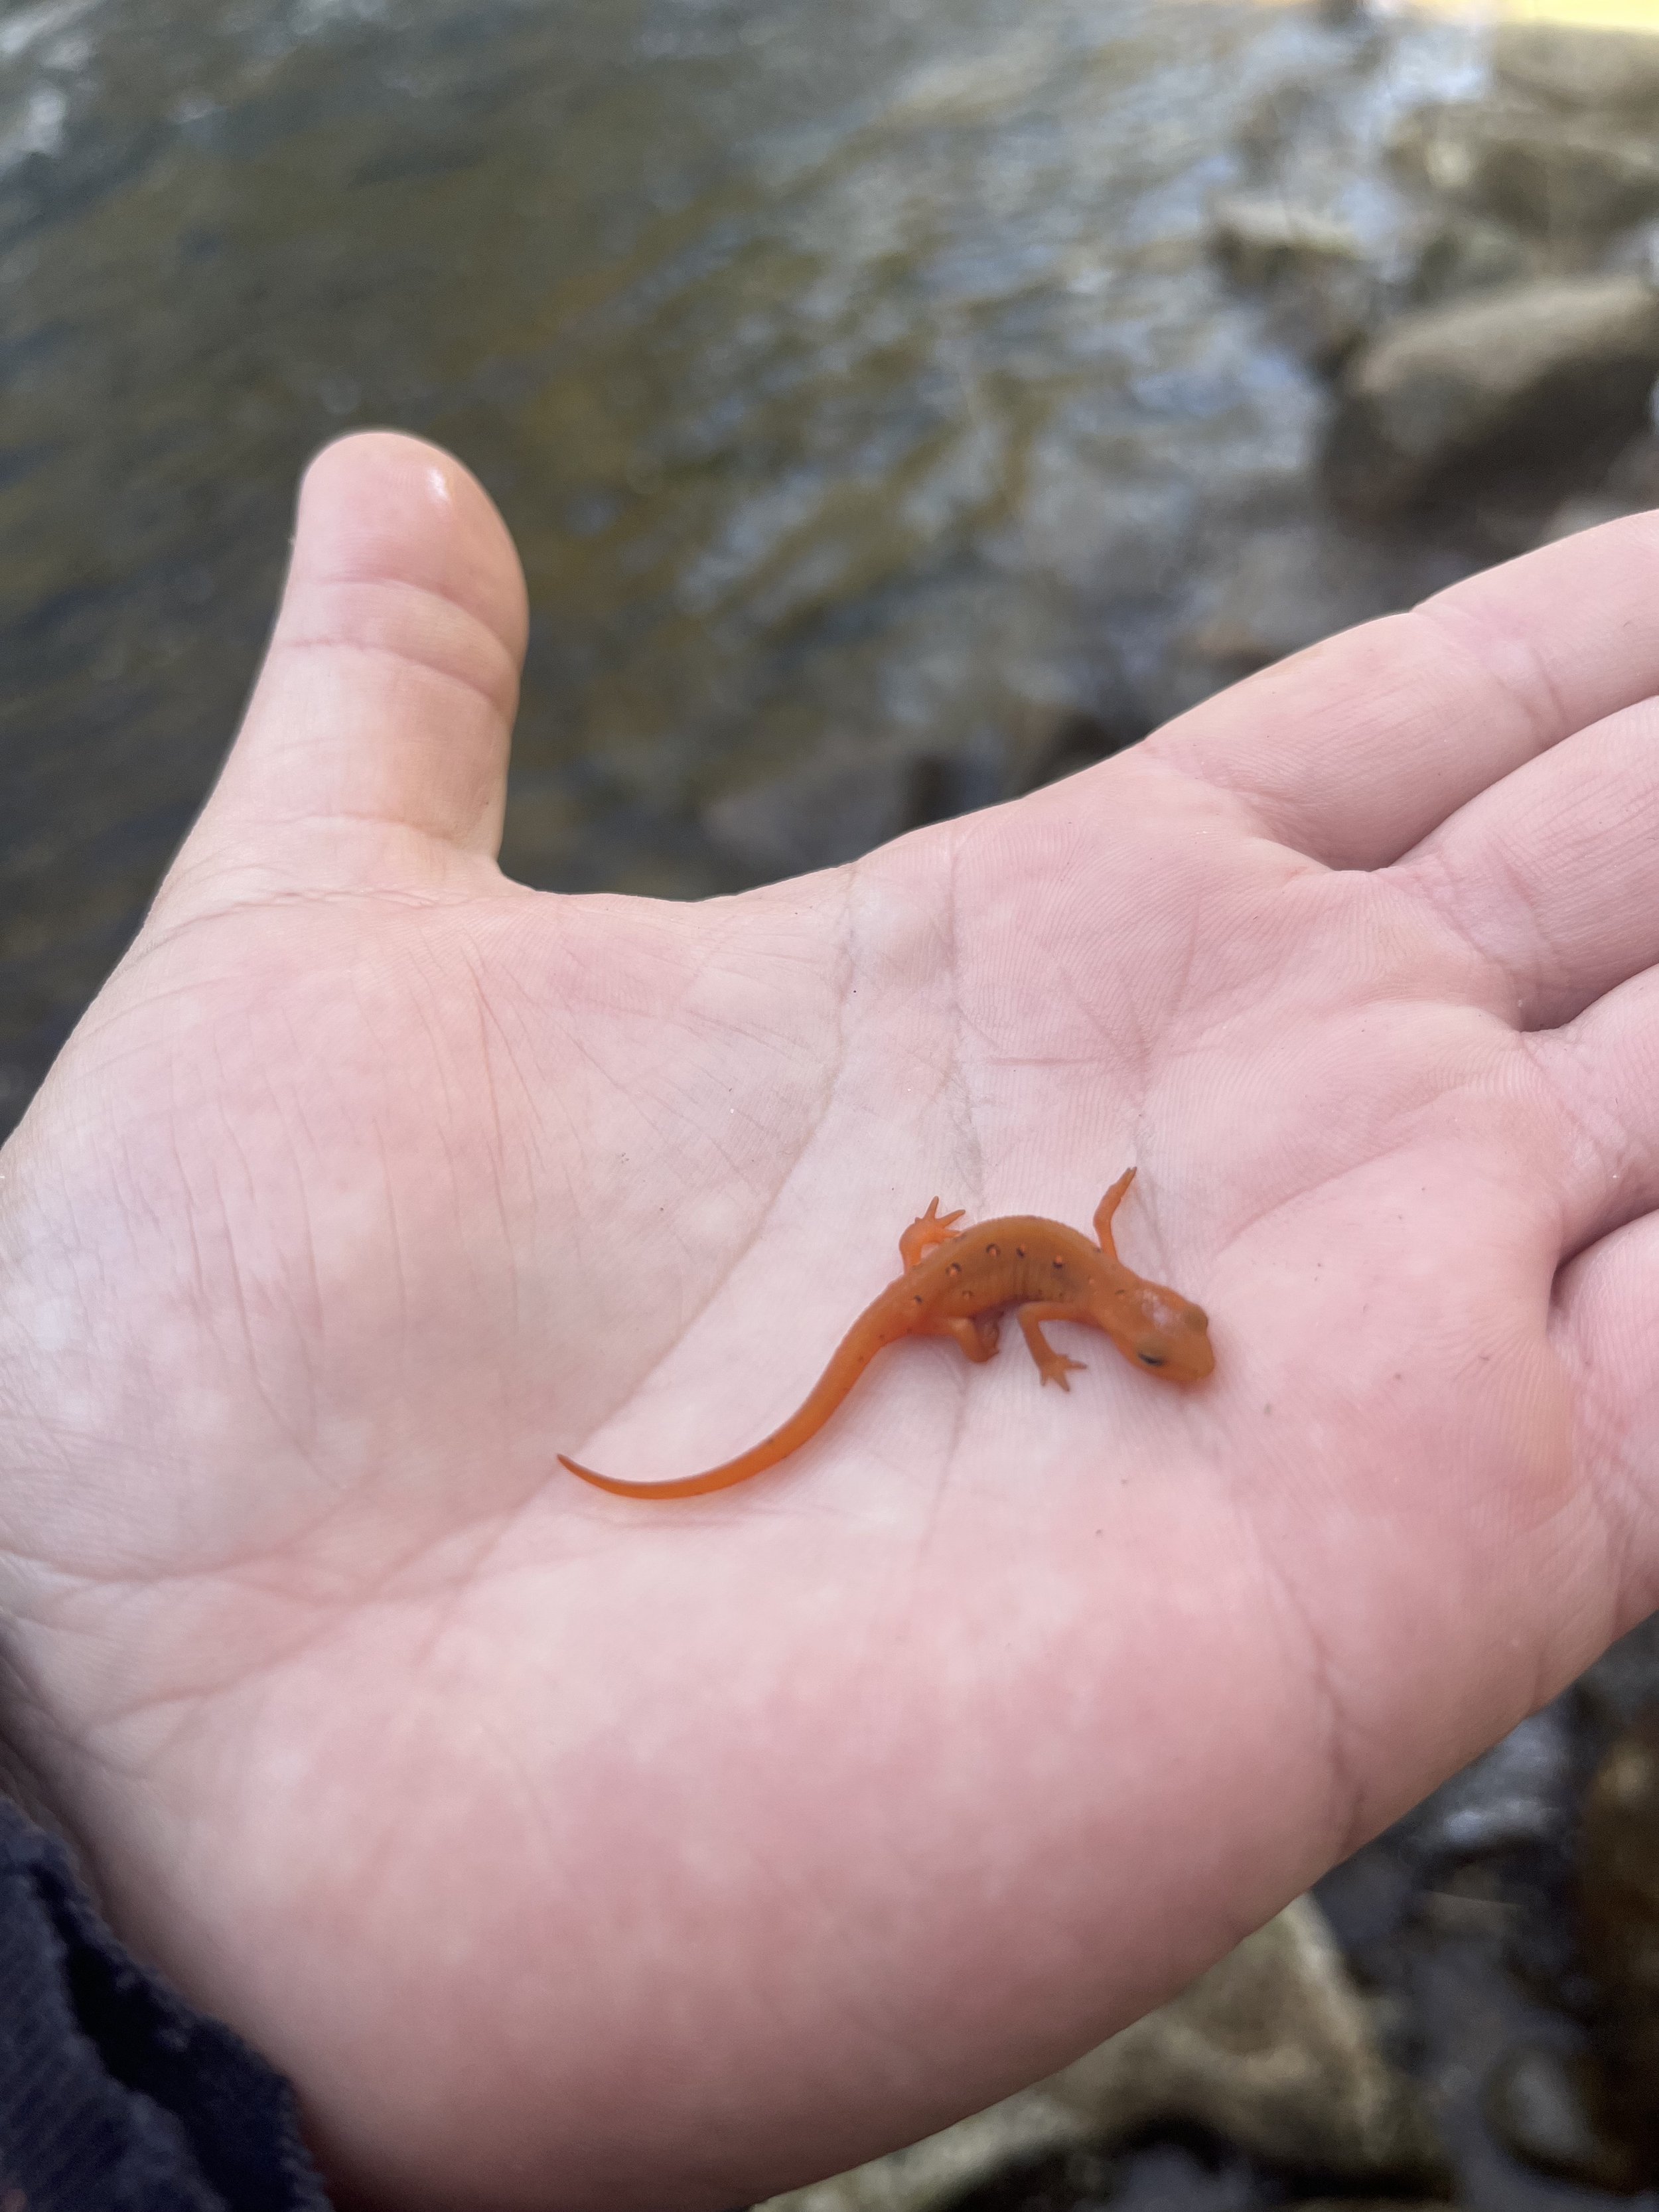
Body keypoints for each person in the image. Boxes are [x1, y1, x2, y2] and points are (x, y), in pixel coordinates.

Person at [1, 429, 1655, 2211]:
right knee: (910, 1342)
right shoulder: (1087, 1308)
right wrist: (995, 1322)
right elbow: (1056, 1277)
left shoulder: (1111, 1291)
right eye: (1161, 1346)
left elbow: (1075, 1250)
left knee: (972, 1294)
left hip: (944, 1271)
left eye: (1162, 1344)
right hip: (929, 1295)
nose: (1163, 1351)